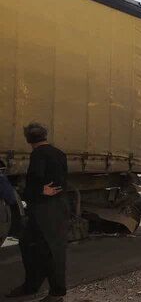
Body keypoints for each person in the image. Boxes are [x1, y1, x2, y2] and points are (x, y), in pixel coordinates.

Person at [6, 123, 69, 302]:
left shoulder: (38, 155)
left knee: (46, 249)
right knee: (32, 244)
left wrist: (38, 191)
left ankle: (55, 294)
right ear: (45, 135)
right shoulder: (59, 153)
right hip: (57, 206)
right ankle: (33, 285)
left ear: (28, 139)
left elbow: (35, 182)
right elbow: (62, 180)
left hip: (44, 208)